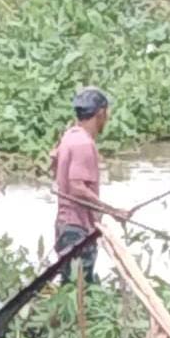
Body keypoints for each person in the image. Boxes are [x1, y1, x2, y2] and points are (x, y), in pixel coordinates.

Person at [50, 87, 130, 283]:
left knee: (71, 287)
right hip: (77, 229)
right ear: (101, 113)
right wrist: (112, 211)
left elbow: (54, 165)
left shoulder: (69, 136)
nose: (107, 118)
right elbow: (77, 187)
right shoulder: (83, 143)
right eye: (107, 113)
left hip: (65, 226)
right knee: (79, 289)